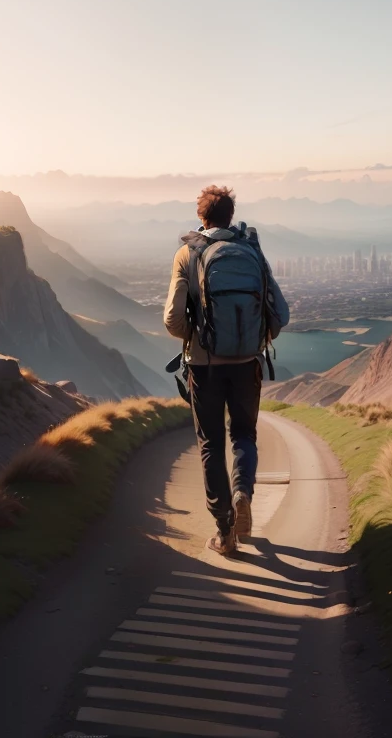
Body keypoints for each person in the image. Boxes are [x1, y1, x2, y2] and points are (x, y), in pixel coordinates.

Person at [163, 185, 290, 556]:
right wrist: (254, 340)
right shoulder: (251, 250)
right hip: (247, 364)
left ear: (202, 216)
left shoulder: (188, 253)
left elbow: (172, 319)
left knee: (210, 445)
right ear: (231, 215)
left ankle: (224, 531)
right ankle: (242, 493)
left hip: (204, 369)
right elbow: (280, 313)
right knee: (244, 436)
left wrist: (197, 339)